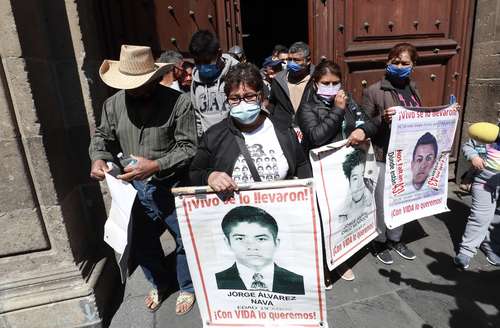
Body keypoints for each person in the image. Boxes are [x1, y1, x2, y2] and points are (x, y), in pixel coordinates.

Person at [88, 45, 197, 315]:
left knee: (184, 239)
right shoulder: (113, 105)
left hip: (171, 185)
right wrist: (98, 157)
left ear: (153, 78)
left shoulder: (178, 103)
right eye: (130, 86)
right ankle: (159, 282)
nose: (136, 91)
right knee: (141, 240)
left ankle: (187, 285)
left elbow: (188, 147)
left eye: (141, 84)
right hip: (133, 188)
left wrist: (157, 164)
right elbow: (102, 137)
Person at [296, 60, 377, 283]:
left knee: (342, 214)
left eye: (335, 83)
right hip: (320, 173)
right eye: (326, 83)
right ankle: (323, 263)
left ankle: (340, 259)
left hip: (345, 170)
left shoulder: (348, 101)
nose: (331, 87)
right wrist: (338, 110)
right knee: (323, 218)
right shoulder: (308, 108)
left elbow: (370, 123)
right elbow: (316, 137)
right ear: (315, 83)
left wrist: (362, 129)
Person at [189, 62, 311, 192]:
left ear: (261, 96)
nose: (242, 103)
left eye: (250, 96)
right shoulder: (214, 136)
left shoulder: (284, 130)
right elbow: (195, 172)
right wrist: (210, 177)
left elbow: (302, 167)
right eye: (234, 98)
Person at [363, 43, 422, 265]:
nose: (399, 66)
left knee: (401, 200)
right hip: (383, 154)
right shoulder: (374, 90)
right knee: (380, 201)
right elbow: (364, 124)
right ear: (388, 63)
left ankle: (395, 239)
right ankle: (378, 240)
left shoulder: (414, 88)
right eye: (395, 62)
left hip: (408, 156)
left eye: (405, 63)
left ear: (413, 65)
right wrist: (382, 120)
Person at [215, 206, 305, 294]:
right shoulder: (215, 282)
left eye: (261, 239)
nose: (252, 247)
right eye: (240, 238)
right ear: (228, 243)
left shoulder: (299, 282)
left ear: (276, 243)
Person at [454, 136, 500, 269]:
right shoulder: (487, 134)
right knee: (480, 217)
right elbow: (468, 146)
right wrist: (473, 156)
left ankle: (490, 246)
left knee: (497, 219)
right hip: (483, 181)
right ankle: (466, 252)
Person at [189, 30, 239, 138]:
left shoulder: (237, 73)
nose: (202, 66)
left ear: (219, 53)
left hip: (235, 141)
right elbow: (197, 116)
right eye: (197, 62)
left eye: (207, 61)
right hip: (210, 144)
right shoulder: (195, 81)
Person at [269, 42, 315, 129]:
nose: (291, 63)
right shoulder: (278, 79)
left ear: (308, 61)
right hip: (284, 131)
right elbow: (272, 104)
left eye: (296, 60)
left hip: (310, 129)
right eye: (289, 59)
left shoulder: (317, 78)